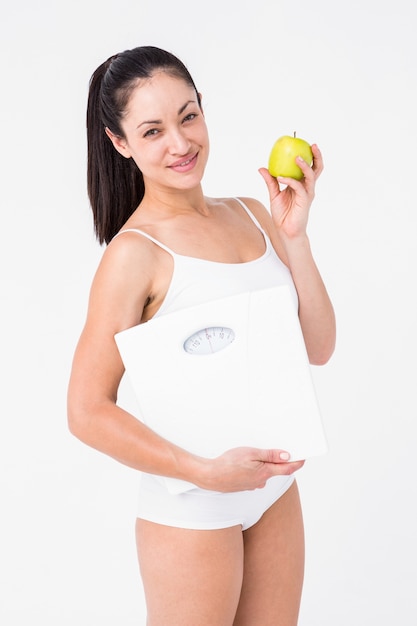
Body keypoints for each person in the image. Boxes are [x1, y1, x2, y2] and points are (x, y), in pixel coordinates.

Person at [67, 45, 336, 626]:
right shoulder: (133, 255)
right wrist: (202, 473)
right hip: (191, 506)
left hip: (273, 490)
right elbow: (86, 410)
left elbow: (318, 348)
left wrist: (295, 237)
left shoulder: (254, 213)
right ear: (121, 144)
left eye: (189, 116)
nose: (180, 143)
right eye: (153, 130)